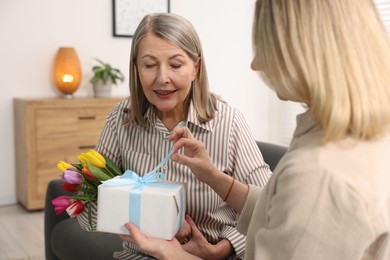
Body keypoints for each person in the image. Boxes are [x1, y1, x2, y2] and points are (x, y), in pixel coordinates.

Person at [121, 0, 390, 259]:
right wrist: (214, 176)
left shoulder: (320, 174)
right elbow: (278, 208)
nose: (255, 64)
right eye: (149, 64)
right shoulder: (354, 136)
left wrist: (171, 252)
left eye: (265, 47)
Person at [77, 12, 272, 260]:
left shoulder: (229, 122)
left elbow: (270, 211)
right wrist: (140, 216)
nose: (162, 78)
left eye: (176, 65)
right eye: (149, 65)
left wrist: (222, 248)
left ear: (195, 68)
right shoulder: (121, 119)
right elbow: (89, 211)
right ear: (136, 68)